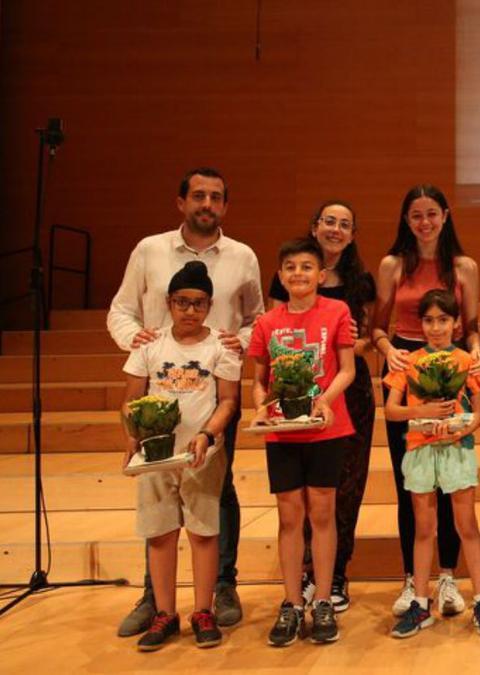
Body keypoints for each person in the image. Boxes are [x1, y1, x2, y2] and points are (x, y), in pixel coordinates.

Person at [107, 167, 264, 636]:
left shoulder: (242, 256)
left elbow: (258, 318)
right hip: (158, 390)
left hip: (213, 395)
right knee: (159, 500)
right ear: (181, 202)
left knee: (219, 492)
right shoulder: (149, 250)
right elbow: (121, 309)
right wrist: (136, 339)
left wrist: (240, 341)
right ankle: (156, 599)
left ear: (225, 206)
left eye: (216, 197)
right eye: (198, 195)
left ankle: (221, 588)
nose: (207, 204)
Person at [371, 184, 480, 618]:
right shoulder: (393, 265)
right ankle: (411, 579)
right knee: (414, 482)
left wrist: (475, 351)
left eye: (431, 213)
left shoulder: (463, 266)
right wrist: (388, 352)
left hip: (451, 366)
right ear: (406, 219)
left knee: (453, 481)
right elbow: (377, 328)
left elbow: (471, 326)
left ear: (445, 214)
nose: (424, 222)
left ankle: (450, 577)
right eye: (416, 214)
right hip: (405, 362)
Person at [119, 261, 240, 651]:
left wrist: (207, 434)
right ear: (169, 303)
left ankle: (202, 611)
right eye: (182, 302)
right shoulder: (150, 345)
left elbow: (229, 402)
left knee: (204, 533)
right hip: (158, 457)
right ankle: (164, 613)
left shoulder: (221, 346)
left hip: (201, 455)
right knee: (159, 534)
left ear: (209, 305)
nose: (190, 311)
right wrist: (132, 441)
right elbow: (130, 401)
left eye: (199, 303)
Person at [268, 201, 376, 613]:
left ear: (352, 234)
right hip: (298, 386)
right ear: (315, 227)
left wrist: (344, 342)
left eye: (344, 224)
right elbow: (279, 332)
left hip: (347, 390)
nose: (335, 229)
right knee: (302, 491)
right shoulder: (289, 274)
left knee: (343, 488)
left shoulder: (359, 282)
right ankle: (304, 574)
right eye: (329, 221)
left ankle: (335, 575)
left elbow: (364, 341)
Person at [248, 237, 357, 646]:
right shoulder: (267, 322)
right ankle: (293, 603)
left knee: (323, 513)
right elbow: (259, 381)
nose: (298, 273)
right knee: (290, 516)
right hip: (282, 431)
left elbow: (347, 369)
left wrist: (324, 401)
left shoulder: (337, 311)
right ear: (280, 275)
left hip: (327, 428)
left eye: (307, 267)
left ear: (321, 275)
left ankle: (324, 599)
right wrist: (260, 407)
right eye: (290, 267)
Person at [384, 289, 480, 638]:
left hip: (456, 448)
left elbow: (479, 414)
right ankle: (421, 604)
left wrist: (460, 428)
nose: (436, 327)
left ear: (455, 324)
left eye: (443, 320)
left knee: (467, 525)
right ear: (420, 324)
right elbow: (391, 410)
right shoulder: (409, 361)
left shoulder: (467, 360)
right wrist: (420, 411)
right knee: (424, 528)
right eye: (429, 320)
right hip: (419, 450)